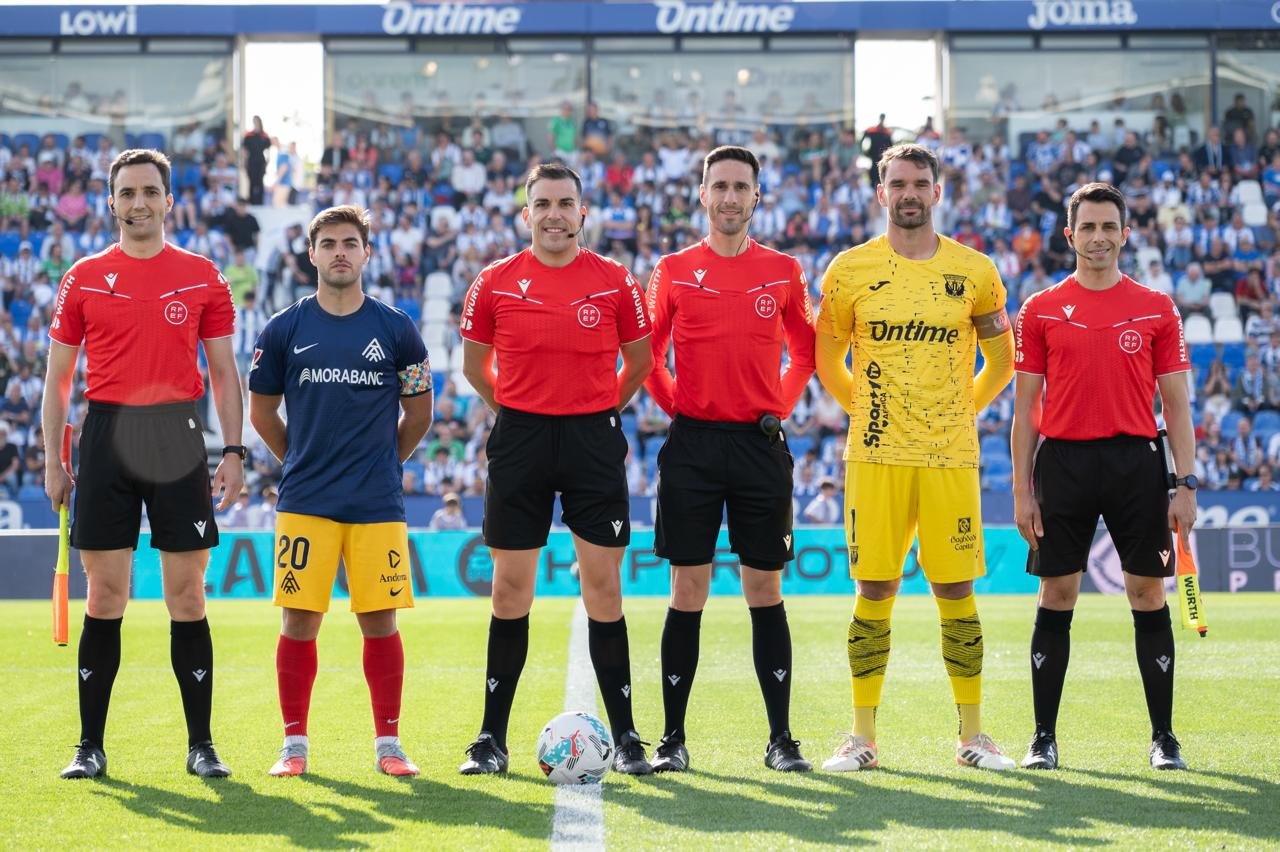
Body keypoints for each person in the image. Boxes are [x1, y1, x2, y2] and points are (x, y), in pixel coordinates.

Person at [814, 144, 1016, 772]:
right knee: (875, 587)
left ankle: (974, 737)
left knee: (955, 589)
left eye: (919, 183)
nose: (908, 193)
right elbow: (827, 362)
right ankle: (862, 737)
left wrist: (960, 411)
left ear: (936, 192)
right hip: (875, 459)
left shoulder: (976, 271)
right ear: (881, 194)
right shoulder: (848, 271)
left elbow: (1003, 363)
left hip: (950, 458)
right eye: (897, 183)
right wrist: (869, 411)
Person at [43, 148, 244, 779]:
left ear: (169, 200)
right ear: (111, 202)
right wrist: (54, 460)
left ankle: (202, 745)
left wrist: (234, 451)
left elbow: (222, 371)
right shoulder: (82, 276)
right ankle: (89, 746)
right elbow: (56, 382)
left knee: (187, 595)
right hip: (105, 433)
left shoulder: (201, 274)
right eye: (127, 193)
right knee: (106, 595)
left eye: (150, 192)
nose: (139, 203)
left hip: (176, 435)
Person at [457, 163, 655, 776]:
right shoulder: (494, 281)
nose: (554, 214)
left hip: (593, 440)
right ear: (526, 213)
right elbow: (473, 366)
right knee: (510, 589)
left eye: (565, 203)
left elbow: (640, 362)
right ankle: (491, 740)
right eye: (542, 203)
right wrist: (516, 411)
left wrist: (596, 411)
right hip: (520, 438)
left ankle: (625, 739)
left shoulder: (616, 281)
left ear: (583, 212)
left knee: (603, 589)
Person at [643, 145, 816, 774]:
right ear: (702, 195)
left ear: (757, 196)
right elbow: (648, 355)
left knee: (763, 588)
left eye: (741, 186)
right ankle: (671, 741)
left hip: (758, 445)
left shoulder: (783, 270)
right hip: (691, 445)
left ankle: (780, 739)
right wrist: (676, 404)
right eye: (719, 186)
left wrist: (782, 404)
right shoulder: (673, 268)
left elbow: (807, 351)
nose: (730, 197)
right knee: (687, 589)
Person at [1011, 182, 1196, 771]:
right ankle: (1043, 738)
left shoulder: (1156, 306)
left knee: (1146, 593)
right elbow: (1024, 412)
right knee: (1057, 593)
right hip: (1063, 464)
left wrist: (1185, 483)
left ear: (1125, 232)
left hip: (1136, 463)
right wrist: (1022, 490)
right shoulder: (1039, 308)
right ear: (1069, 236)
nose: (1098, 238)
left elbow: (1177, 405)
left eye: (1108, 227)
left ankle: (1163, 737)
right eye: (1087, 227)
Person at [248, 205, 434, 777]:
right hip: (305, 501)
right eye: (328, 243)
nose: (340, 253)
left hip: (376, 501)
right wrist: (301, 462)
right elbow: (261, 413)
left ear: (367, 253)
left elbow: (420, 414)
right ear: (311, 253)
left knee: (380, 620)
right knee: (299, 621)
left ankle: (389, 744)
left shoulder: (397, 328)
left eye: (350, 243)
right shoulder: (283, 329)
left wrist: (383, 462)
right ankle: (294, 744)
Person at [242, 116, 271, 205]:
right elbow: (244, 150)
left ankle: (260, 201)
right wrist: (245, 161)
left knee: (260, 182)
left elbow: (268, 150)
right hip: (251, 161)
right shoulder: (249, 135)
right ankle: (251, 201)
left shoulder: (264, 135)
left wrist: (267, 162)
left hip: (260, 161)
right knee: (252, 181)